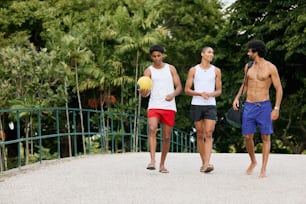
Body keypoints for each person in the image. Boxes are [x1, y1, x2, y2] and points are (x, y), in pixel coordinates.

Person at [232, 39, 283, 178]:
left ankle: (263, 168)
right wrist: (237, 98)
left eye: (250, 51)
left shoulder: (270, 67)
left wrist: (276, 108)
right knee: (247, 136)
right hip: (249, 105)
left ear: (256, 51)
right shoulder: (248, 67)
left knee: (265, 137)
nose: (248, 53)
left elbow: (279, 89)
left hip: (264, 106)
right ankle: (253, 161)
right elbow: (245, 86)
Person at [139, 45, 182, 173]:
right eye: (154, 56)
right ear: (151, 57)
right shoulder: (148, 71)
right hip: (154, 105)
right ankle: (152, 161)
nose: (157, 58)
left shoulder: (171, 68)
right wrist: (142, 92)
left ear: (162, 55)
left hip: (168, 106)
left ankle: (162, 164)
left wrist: (172, 95)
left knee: (167, 137)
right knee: (152, 128)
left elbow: (179, 87)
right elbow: (145, 93)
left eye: (159, 56)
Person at [184, 46, 222, 173]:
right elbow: (187, 90)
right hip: (197, 104)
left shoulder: (216, 70)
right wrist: (200, 94)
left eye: (213, 52)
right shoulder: (193, 70)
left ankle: (207, 163)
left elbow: (219, 90)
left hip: (211, 105)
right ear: (202, 54)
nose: (211, 54)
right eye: (209, 52)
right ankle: (203, 162)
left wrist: (210, 94)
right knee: (200, 134)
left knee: (209, 133)